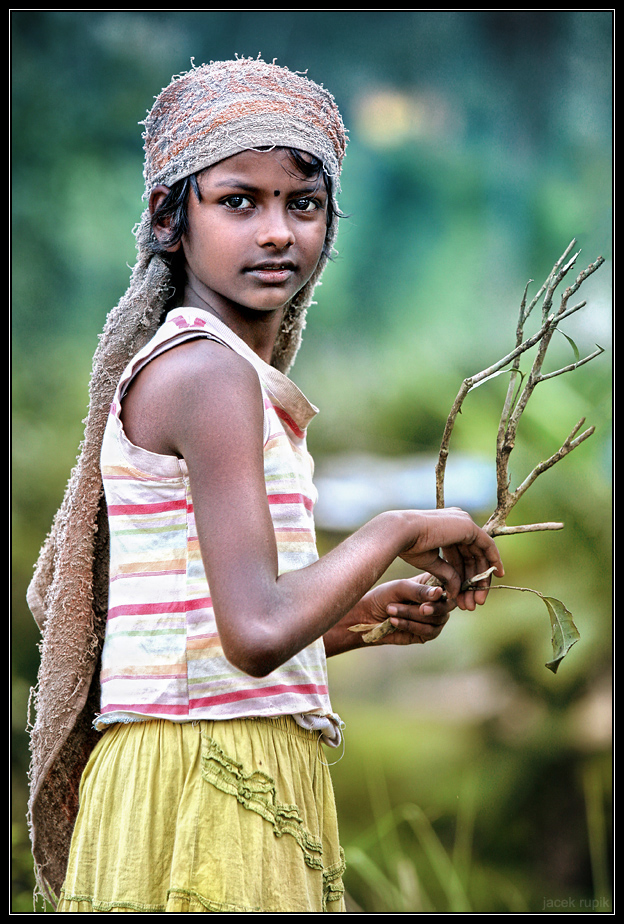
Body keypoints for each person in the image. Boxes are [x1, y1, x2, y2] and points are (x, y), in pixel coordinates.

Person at [26, 57, 504, 914]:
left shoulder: (227, 375)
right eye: (239, 201)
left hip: (205, 756)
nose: (278, 231)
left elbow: (208, 639)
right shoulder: (206, 375)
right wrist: (396, 526)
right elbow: (254, 633)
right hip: (207, 781)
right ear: (171, 219)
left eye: (304, 204)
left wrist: (358, 622)